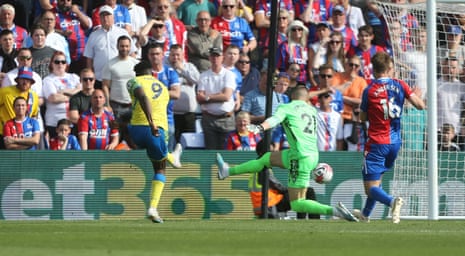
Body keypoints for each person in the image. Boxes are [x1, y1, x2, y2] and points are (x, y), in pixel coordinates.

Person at [216, 85, 359, 222]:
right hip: (310, 155)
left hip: (299, 156)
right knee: (265, 159)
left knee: (297, 203)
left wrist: (260, 127)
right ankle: (227, 171)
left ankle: (335, 212)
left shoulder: (287, 107)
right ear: (306, 98)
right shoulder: (312, 110)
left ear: (292, 96)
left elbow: (274, 120)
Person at [355, 52, 425, 224]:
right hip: (395, 142)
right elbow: (420, 105)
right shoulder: (401, 84)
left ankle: (393, 201)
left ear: (374, 69)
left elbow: (362, 118)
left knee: (370, 188)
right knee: (377, 180)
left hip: (377, 142)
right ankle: (365, 215)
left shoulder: (369, 90)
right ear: (389, 68)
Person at [126, 61, 183, 223]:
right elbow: (147, 99)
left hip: (137, 130)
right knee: (160, 169)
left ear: (137, 73)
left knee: (157, 158)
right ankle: (152, 207)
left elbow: (142, 96)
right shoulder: (163, 88)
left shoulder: (133, 81)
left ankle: (172, 157)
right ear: (152, 73)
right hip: (157, 130)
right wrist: (152, 123)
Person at [249, 140, 320, 219]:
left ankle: (301, 219)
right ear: (261, 153)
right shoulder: (263, 167)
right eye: (270, 152)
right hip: (271, 203)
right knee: (307, 191)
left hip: (262, 205)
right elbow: (276, 185)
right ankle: (312, 220)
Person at [83, 5, 135, 89]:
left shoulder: (122, 33)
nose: (105, 18)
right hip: (100, 78)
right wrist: (91, 75)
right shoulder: (93, 35)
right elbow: (89, 58)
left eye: (108, 15)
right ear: (99, 18)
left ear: (113, 17)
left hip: (120, 77)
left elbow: (132, 53)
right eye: (103, 15)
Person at [197, 47, 236, 149]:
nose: (215, 58)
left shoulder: (229, 74)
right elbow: (200, 99)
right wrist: (218, 95)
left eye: (217, 56)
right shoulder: (203, 75)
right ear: (209, 58)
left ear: (222, 57)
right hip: (209, 119)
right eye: (213, 56)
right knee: (210, 152)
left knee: (227, 152)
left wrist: (207, 97)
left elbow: (226, 96)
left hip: (226, 119)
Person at [147, 43, 181, 151]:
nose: (155, 56)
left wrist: (155, 90)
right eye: (152, 54)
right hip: (148, 118)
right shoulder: (144, 73)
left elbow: (176, 94)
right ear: (148, 56)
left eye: (157, 54)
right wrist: (165, 91)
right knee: (151, 150)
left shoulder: (170, 72)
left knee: (167, 150)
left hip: (167, 117)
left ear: (162, 55)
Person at [42, 51, 81, 139]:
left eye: (63, 62)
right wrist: (73, 94)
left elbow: (82, 93)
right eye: (57, 62)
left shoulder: (74, 77)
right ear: (52, 64)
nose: (60, 64)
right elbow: (53, 98)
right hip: (55, 122)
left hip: (73, 121)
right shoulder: (48, 79)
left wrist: (62, 91)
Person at [0, 66, 40, 149]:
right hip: (4, 134)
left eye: (28, 80)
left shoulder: (34, 96)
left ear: (31, 82)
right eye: (22, 79)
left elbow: (34, 115)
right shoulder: (5, 92)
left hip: (25, 137)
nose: (25, 82)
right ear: (17, 80)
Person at [102, 35, 138, 122]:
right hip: (116, 105)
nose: (124, 49)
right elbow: (105, 86)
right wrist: (107, 104)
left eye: (127, 46)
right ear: (117, 47)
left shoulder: (136, 63)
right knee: (117, 133)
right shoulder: (110, 64)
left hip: (133, 105)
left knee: (132, 134)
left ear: (130, 47)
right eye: (122, 46)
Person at [168, 44, 200, 144]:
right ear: (169, 55)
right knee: (173, 142)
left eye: (178, 55)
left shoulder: (189, 66)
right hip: (172, 113)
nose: (176, 57)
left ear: (183, 55)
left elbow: (198, 80)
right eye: (173, 55)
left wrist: (183, 70)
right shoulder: (166, 69)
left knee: (188, 142)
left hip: (189, 113)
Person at [54, 0, 91, 74]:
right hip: (65, 58)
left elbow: (88, 25)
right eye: (62, 0)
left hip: (82, 56)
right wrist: (62, 33)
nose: (65, 2)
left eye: (68, 0)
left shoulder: (78, 10)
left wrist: (78, 12)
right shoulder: (52, 13)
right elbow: (46, 29)